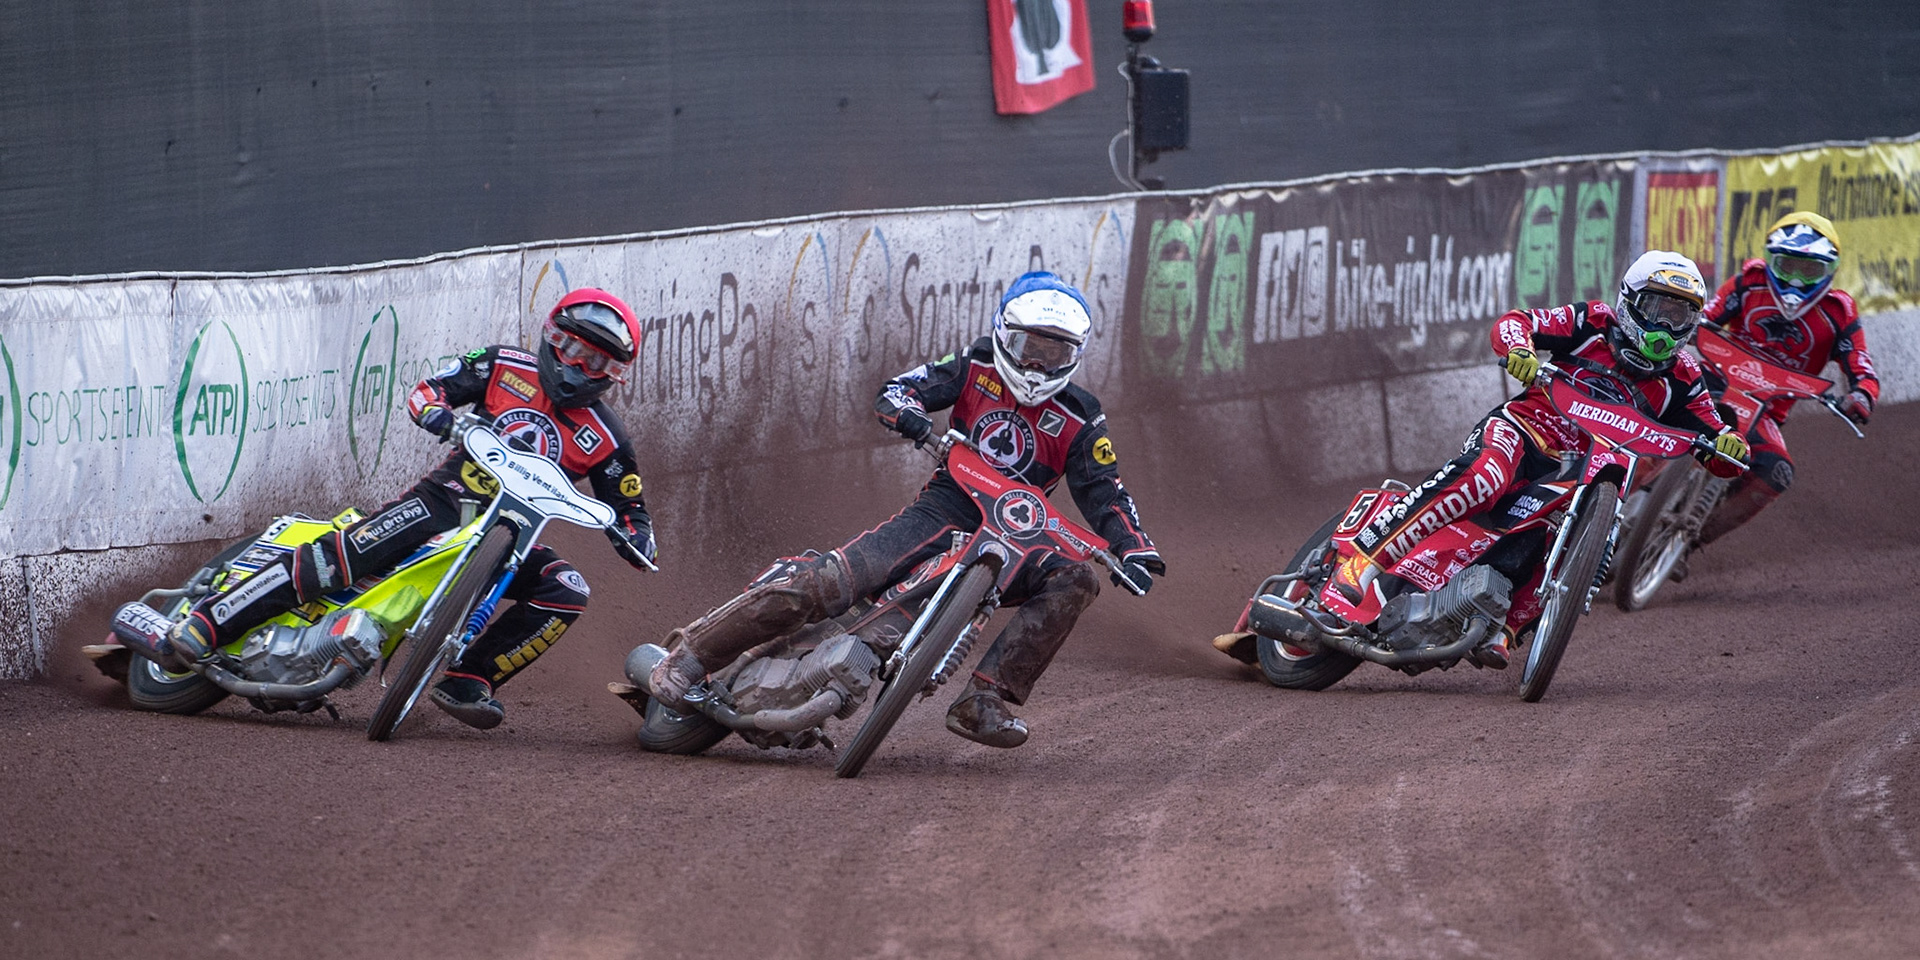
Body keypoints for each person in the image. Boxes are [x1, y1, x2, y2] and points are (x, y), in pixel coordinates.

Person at [648, 271, 1162, 748]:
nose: (1037, 364)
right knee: (834, 581)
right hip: (945, 507)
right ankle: (691, 658)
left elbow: (1105, 490)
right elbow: (898, 390)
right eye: (1029, 348)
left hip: (1020, 536)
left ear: (1074, 355)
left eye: (1054, 353)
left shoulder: (1082, 415)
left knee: (1078, 579)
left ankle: (984, 698)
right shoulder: (975, 364)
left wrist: (1134, 548)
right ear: (1005, 335)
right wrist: (911, 417)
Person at [166, 288, 659, 729]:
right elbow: (429, 391)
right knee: (340, 558)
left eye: (596, 363)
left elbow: (632, 511)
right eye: (572, 349)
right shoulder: (503, 364)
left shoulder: (610, 439)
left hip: (512, 536)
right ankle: (211, 620)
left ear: (613, 374)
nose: (577, 368)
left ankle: (469, 677)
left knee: (566, 590)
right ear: (553, 337)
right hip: (441, 503)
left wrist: (634, 538)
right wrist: (442, 418)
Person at [1332, 251, 1748, 667]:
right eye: (1658, 309)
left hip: (1581, 473)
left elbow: (1715, 436)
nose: (1665, 327)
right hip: (1523, 431)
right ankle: (1366, 561)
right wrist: (1520, 349)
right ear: (1630, 300)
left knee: (1580, 540)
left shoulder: (1685, 376)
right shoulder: (1593, 321)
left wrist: (1730, 445)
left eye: (1679, 317)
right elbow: (1518, 322)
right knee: (1484, 478)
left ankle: (1505, 628)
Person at [1692, 212, 1878, 550]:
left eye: (1809, 270)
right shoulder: (1749, 282)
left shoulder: (1838, 313)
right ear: (1769, 261)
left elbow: (1861, 366)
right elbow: (1706, 315)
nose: (1794, 280)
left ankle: (1691, 539)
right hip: (1715, 382)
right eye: (1786, 266)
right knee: (1661, 406)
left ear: (1829, 271)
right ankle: (1618, 492)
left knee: (1777, 472)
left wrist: (1862, 396)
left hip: (1766, 412)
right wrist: (1689, 328)